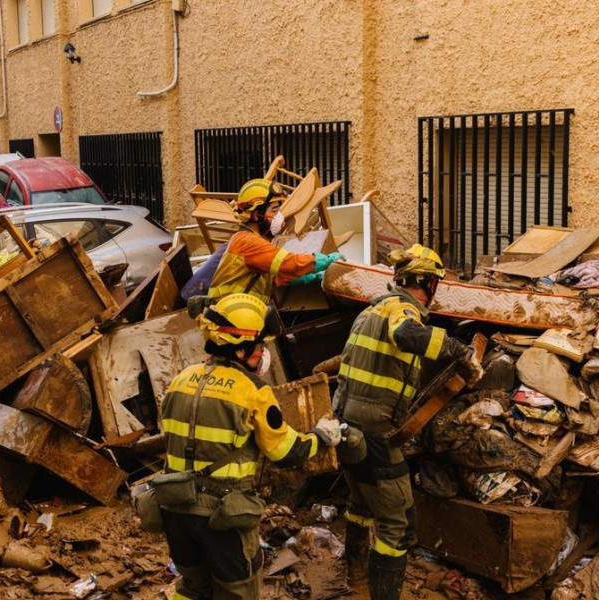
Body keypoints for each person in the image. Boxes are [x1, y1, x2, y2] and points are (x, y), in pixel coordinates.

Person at [159, 293, 343, 600]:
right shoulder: (252, 391)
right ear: (241, 347)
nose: (262, 354)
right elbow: (285, 453)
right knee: (237, 592)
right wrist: (320, 437)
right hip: (220, 517)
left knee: (192, 588)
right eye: (260, 346)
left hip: (174, 510)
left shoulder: (181, 379)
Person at [332, 244, 484, 600]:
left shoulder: (372, 309)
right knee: (398, 527)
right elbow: (407, 336)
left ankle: (356, 581)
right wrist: (460, 351)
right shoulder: (402, 310)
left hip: (347, 425)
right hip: (374, 433)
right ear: (428, 283)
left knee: (360, 505)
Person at [205, 178, 344, 304]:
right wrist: (325, 260)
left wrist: (308, 277)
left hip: (235, 318)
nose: (279, 217)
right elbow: (288, 263)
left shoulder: (251, 240)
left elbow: (273, 277)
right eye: (274, 211)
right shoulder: (247, 242)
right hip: (229, 322)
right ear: (255, 215)